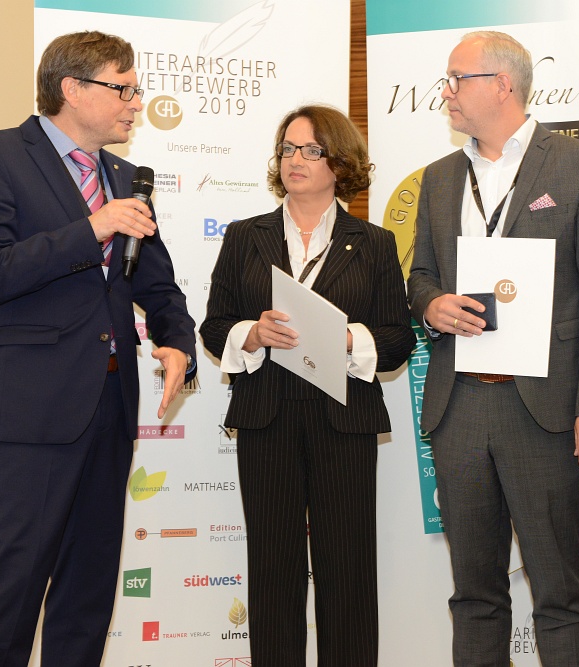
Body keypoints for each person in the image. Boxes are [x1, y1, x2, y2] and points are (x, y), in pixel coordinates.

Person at [407, 31, 579, 666]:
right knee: (474, 596)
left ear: (502, 85)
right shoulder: (439, 178)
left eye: (457, 79)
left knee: (559, 595)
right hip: (459, 407)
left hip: (545, 411)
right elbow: (420, 275)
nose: (446, 92)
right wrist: (430, 305)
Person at [0, 31, 197, 666]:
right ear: (72, 88)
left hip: (110, 404)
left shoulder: (125, 176)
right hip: (33, 410)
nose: (136, 103)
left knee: (89, 587)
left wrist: (176, 342)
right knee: (12, 588)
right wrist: (91, 228)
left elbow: (156, 283)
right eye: (123, 89)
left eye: (136, 90)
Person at [200, 104, 415, 667]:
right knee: (273, 568)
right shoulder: (245, 236)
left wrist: (346, 340)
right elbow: (214, 325)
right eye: (288, 149)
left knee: (347, 569)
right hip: (266, 416)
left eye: (311, 150)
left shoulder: (374, 242)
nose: (295, 160)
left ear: (340, 163)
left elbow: (398, 338)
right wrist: (251, 334)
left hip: (343, 419)